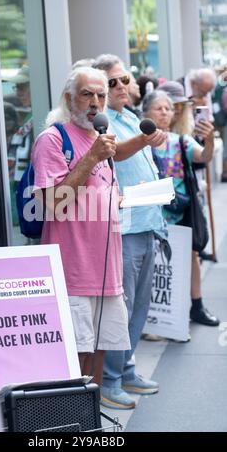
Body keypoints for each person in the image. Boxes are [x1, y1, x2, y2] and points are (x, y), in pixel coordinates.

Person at [31, 67, 130, 385]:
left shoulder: (101, 138)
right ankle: (73, 426)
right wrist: (90, 158)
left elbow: (98, 190)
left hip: (107, 271)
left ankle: (93, 423)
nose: (96, 103)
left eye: (101, 95)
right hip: (72, 271)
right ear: (69, 98)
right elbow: (53, 202)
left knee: (100, 350)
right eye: (87, 94)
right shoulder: (52, 139)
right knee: (75, 356)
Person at [93, 54, 168, 409]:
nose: (121, 86)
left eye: (124, 79)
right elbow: (117, 154)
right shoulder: (102, 122)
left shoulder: (131, 118)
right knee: (119, 309)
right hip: (123, 228)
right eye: (112, 82)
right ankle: (108, 380)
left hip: (147, 221)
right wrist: (145, 137)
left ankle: (125, 370)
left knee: (140, 306)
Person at [142, 89, 219, 327]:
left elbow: (204, 157)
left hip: (181, 210)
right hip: (151, 213)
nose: (165, 112)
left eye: (168, 108)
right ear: (146, 113)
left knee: (192, 256)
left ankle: (196, 306)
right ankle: (155, 317)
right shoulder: (138, 144)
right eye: (159, 108)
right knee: (153, 263)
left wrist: (208, 140)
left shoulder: (181, 141)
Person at [3, 65, 34, 226]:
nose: (18, 92)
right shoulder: (29, 115)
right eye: (17, 87)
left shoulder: (43, 113)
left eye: (22, 86)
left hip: (34, 190)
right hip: (21, 186)